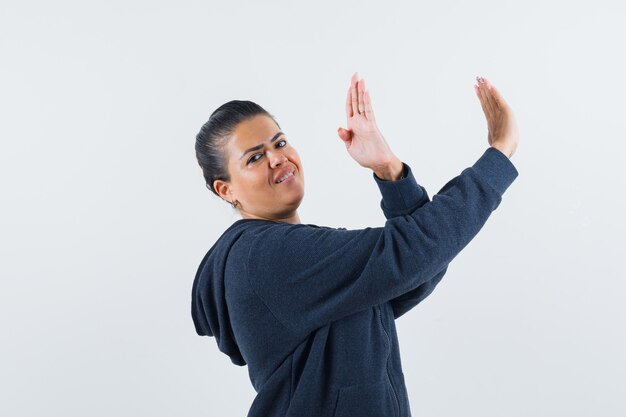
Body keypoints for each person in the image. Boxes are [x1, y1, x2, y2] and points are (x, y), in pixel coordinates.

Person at [191, 73, 520, 417]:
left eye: (280, 143)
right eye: (254, 158)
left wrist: (388, 169)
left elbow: (414, 275)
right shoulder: (263, 256)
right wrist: (500, 153)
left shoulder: (293, 254)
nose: (277, 158)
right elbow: (410, 254)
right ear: (226, 190)